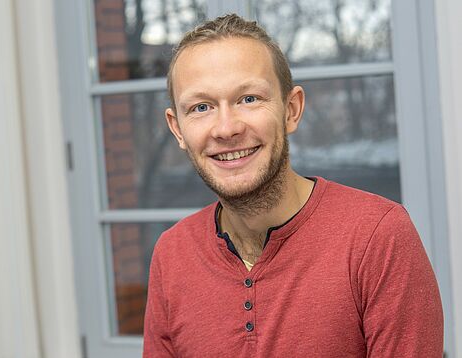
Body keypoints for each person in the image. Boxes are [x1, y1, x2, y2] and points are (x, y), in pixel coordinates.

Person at [143, 14, 443, 357]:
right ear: (178, 129)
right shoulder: (172, 254)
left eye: (249, 99)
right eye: (201, 107)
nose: (226, 128)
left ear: (291, 109)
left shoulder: (377, 236)